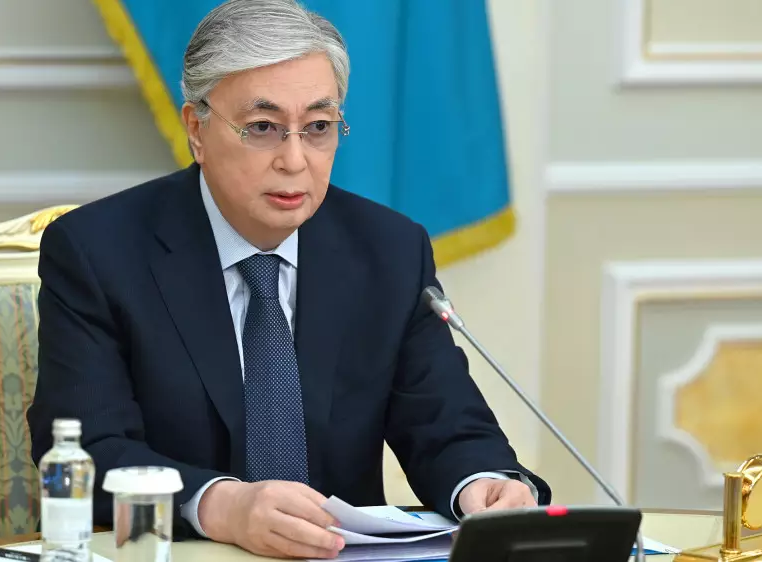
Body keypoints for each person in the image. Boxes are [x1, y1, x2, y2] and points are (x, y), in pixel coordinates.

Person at [27, 0, 550, 559]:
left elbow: (446, 425)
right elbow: (88, 449)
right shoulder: (98, 252)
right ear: (197, 129)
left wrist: (484, 483)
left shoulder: (388, 251)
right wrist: (220, 504)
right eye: (263, 128)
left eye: (318, 127)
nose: (295, 160)